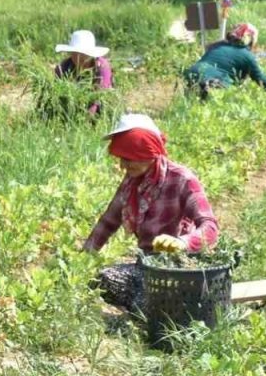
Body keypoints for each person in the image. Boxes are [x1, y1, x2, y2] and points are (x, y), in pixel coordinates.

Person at [83, 113, 219, 311]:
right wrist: (82, 259)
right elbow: (108, 222)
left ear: (146, 153)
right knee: (103, 280)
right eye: (121, 159)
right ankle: (149, 306)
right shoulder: (131, 182)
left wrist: (182, 243)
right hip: (148, 266)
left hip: (181, 269)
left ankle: (154, 308)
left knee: (147, 304)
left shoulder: (182, 179)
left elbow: (210, 228)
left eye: (128, 159)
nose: (122, 166)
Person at [183, 22, 266, 97]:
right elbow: (260, 78)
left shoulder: (217, 45)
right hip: (214, 79)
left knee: (194, 101)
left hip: (192, 72)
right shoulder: (247, 55)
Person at [54, 30, 113, 115]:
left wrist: (88, 115)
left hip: (101, 107)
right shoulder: (64, 67)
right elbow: (57, 92)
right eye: (75, 54)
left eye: (82, 55)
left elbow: (100, 94)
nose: (78, 58)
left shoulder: (102, 66)